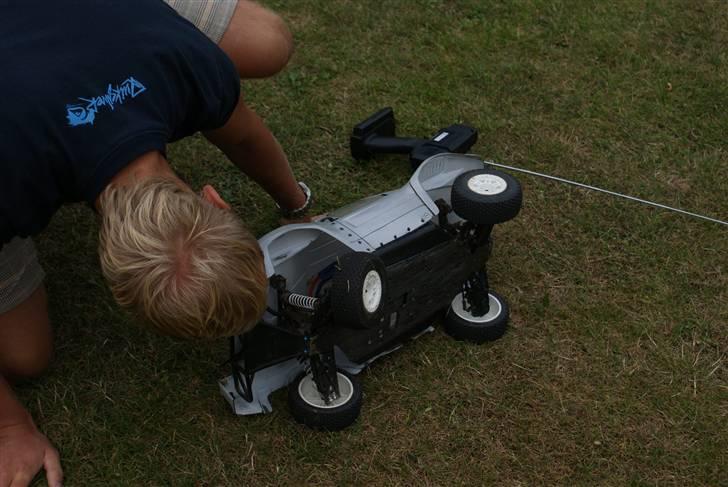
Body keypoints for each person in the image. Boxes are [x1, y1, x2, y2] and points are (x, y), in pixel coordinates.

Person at [0, 1, 309, 485]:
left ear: (216, 200)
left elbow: (245, 136)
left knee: (269, 43)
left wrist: (297, 204)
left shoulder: (189, 66)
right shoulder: (9, 179)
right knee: (24, 355)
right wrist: (8, 426)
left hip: (101, 24)